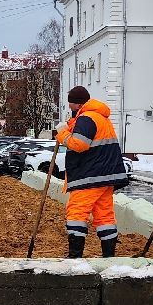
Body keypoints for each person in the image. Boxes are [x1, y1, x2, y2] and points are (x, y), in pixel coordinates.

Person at [56, 86, 129, 259]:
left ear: (75, 104)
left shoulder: (87, 118)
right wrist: (71, 125)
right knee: (104, 216)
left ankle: (75, 258)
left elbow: (80, 144)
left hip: (89, 176)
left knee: (76, 213)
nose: (70, 109)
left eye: (71, 104)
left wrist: (62, 134)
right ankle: (108, 257)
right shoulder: (99, 117)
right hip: (105, 176)